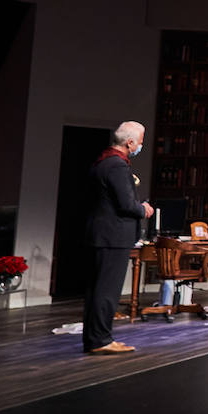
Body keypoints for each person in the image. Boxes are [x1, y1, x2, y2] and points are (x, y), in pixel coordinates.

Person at [82, 121, 155, 355]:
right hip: (112, 236)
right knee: (106, 291)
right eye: (141, 141)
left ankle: (95, 338)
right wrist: (143, 209)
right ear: (129, 142)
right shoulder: (116, 166)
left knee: (98, 290)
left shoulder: (103, 161)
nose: (141, 145)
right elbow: (125, 204)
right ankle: (101, 339)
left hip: (102, 233)